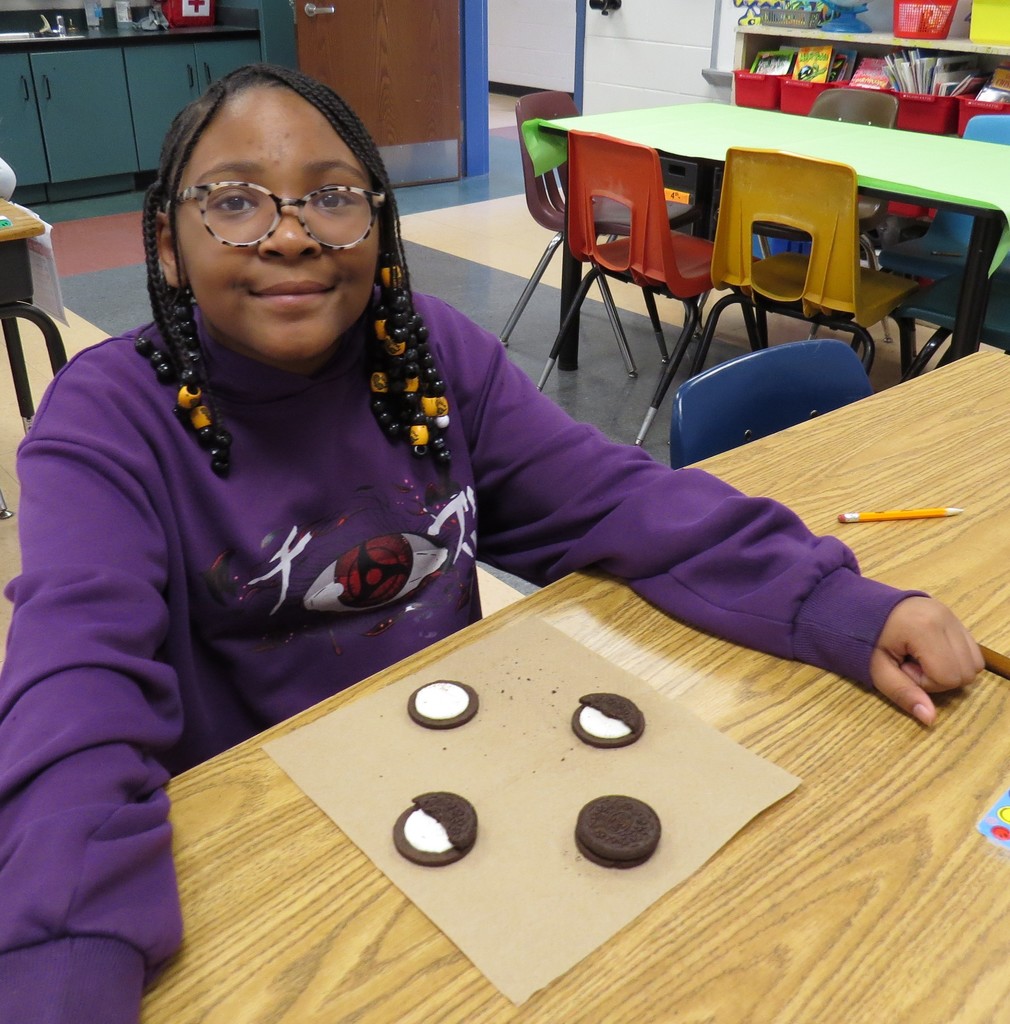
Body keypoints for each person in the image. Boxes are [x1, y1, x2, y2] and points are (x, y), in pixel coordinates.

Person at [0, 63, 982, 1023]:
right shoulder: (107, 419)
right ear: (167, 245)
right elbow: (74, 697)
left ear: (379, 227)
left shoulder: (427, 355)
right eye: (234, 203)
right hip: (261, 864)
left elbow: (617, 500)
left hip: (471, 789)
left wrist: (829, 601)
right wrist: (62, 956)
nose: (291, 235)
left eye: (332, 197)